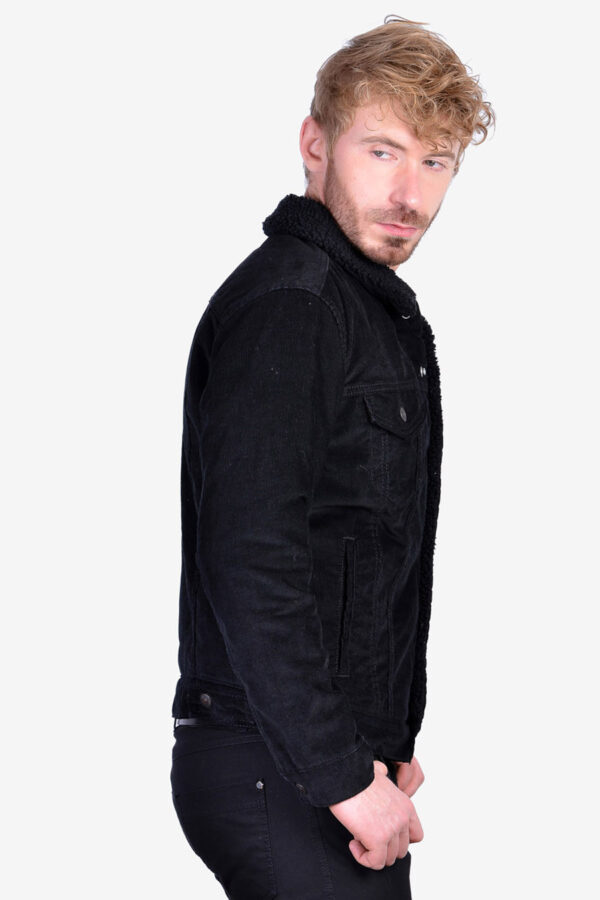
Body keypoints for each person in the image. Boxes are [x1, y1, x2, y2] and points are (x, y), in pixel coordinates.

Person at [170, 16, 494, 899]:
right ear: (315, 144)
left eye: (436, 162)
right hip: (278, 762)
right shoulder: (296, 303)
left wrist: (384, 741)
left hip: (320, 758)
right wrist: (342, 773)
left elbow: (354, 543)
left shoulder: (360, 311)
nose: (409, 192)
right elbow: (251, 554)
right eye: (382, 151)